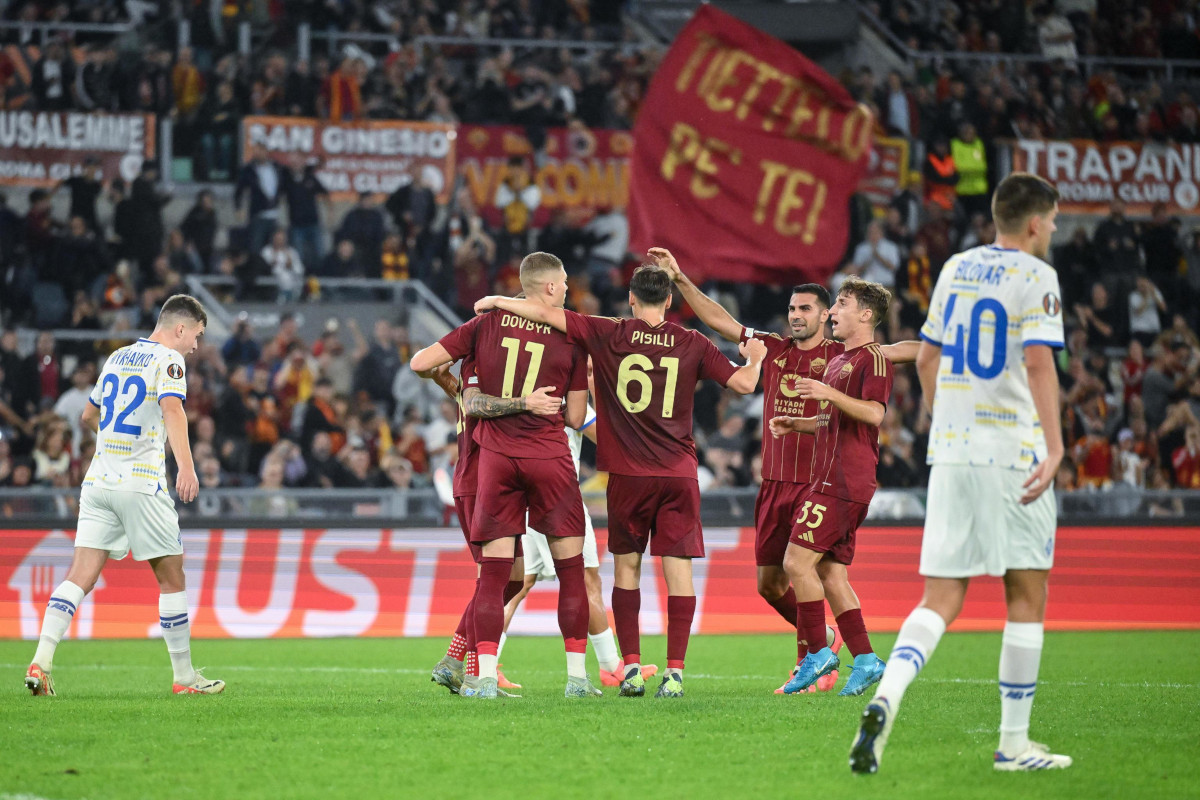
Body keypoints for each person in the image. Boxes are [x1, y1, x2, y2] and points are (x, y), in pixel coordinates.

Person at [850, 173, 1071, 774]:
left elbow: (926, 356)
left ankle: (886, 698)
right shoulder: (1037, 276)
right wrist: (1054, 448)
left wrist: (937, 415)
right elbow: (1038, 363)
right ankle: (1014, 744)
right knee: (1026, 594)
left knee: (941, 597)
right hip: (1012, 450)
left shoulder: (956, 268)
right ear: (1033, 222)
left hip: (951, 450)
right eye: (1050, 221)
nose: (1052, 230)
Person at [474, 259, 767, 698]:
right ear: (669, 300)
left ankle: (629, 668)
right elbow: (744, 385)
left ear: (631, 299)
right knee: (679, 574)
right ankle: (675, 674)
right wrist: (758, 358)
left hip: (628, 474)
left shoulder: (609, 332)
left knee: (626, 571)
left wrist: (498, 301)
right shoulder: (692, 341)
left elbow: (547, 314)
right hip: (678, 473)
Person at [659, 253, 917, 694]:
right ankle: (836, 646)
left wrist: (943, 351)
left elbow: (893, 354)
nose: (797, 316)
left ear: (824, 315)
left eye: (808, 309)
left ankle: (812, 658)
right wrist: (681, 278)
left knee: (806, 568)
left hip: (819, 482)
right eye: (793, 309)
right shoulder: (774, 349)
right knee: (771, 583)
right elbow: (721, 321)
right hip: (775, 484)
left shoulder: (845, 353)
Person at [410, 252, 593, 700]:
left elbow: (423, 365)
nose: (568, 287)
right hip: (546, 457)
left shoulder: (481, 333)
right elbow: (573, 415)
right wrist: (534, 404)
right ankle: (577, 679)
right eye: (564, 281)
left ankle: (474, 672)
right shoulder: (571, 335)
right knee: (571, 572)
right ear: (547, 289)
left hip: (491, 461)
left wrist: (454, 377)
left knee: (500, 578)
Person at [25, 295, 223, 697]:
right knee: (171, 578)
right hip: (141, 483)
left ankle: (41, 662)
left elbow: (87, 415)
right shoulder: (170, 360)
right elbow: (173, 410)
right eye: (197, 335)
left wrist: (114, 442)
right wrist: (186, 466)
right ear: (180, 328)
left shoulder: (116, 357)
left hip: (99, 482)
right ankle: (185, 678)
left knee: (79, 576)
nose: (196, 346)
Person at [762, 277, 895, 699]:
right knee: (832, 575)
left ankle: (818, 651)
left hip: (843, 480)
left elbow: (874, 414)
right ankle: (868, 659)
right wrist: (799, 423)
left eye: (841, 304)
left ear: (866, 315)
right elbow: (832, 422)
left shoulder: (872, 359)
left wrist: (826, 394)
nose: (833, 311)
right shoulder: (840, 362)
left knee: (795, 564)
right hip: (829, 477)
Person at [415, 354, 561, 698]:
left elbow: (464, 397)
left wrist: (442, 380)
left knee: (512, 581)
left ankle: (453, 661)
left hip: (496, 486)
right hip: (481, 484)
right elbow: (476, 404)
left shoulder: (487, 379)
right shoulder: (485, 376)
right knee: (493, 579)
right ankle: (471, 675)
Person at [501, 400, 658, 689]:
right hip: (559, 496)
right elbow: (610, 442)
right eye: (585, 371)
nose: (588, 377)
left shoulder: (530, 394)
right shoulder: (567, 400)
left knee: (520, 582)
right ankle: (611, 666)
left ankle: (485, 659)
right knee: (584, 580)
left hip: (526, 494)